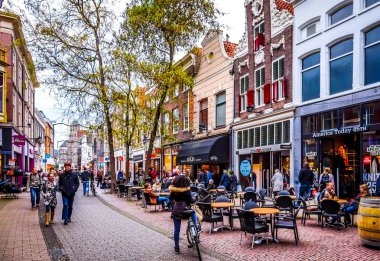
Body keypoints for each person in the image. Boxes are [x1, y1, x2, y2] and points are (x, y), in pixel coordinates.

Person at [169, 175, 199, 254]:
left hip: (176, 210)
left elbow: (170, 199)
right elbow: (191, 201)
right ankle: (196, 228)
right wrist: (194, 200)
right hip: (185, 210)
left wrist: (174, 204)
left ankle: (176, 247)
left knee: (177, 229)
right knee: (193, 212)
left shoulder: (173, 190)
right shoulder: (187, 190)